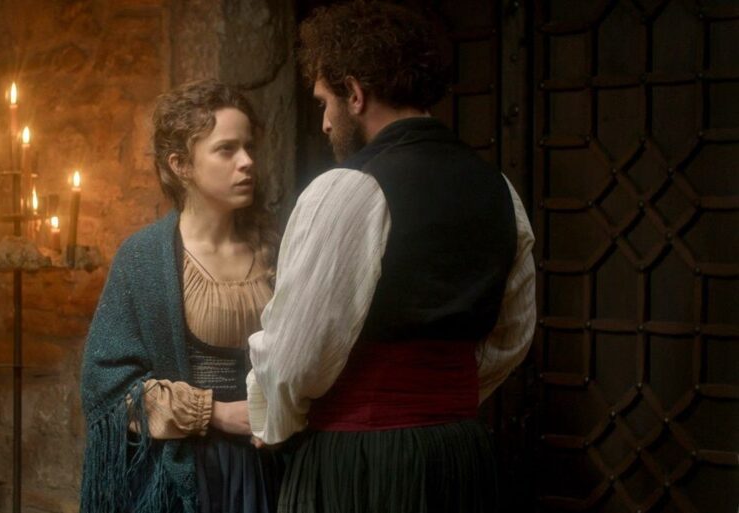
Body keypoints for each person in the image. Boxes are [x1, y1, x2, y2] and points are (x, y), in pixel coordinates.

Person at [245, 2, 536, 512]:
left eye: (325, 103)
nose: (325, 124)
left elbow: (294, 359)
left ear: (354, 94)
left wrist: (273, 423)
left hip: (363, 462)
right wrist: (437, 401)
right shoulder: (499, 190)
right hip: (460, 455)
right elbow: (512, 337)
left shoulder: (348, 188)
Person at [80, 80, 281, 513]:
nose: (247, 161)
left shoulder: (278, 248)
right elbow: (106, 384)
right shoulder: (144, 258)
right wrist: (216, 414)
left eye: (249, 147)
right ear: (181, 164)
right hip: (187, 475)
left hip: (275, 466)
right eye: (226, 150)